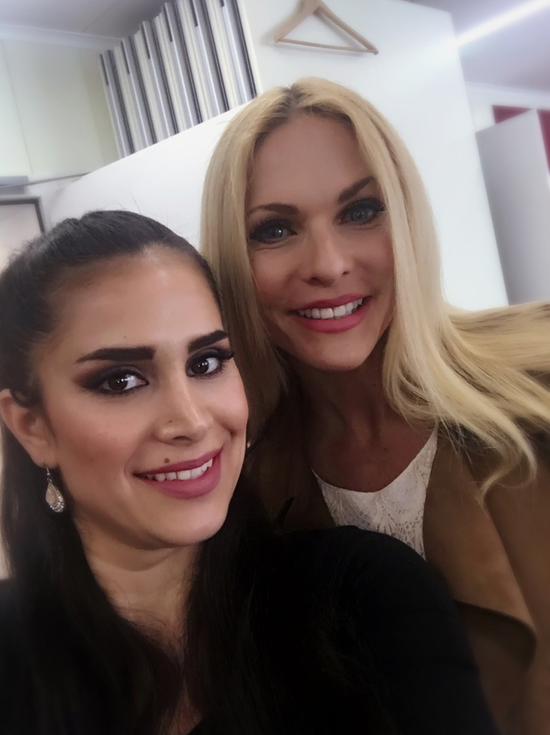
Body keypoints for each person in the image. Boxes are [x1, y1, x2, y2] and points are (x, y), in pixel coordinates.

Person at [0, 210, 497, 735]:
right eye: (121, 381)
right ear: (32, 427)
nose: (193, 422)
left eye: (205, 363)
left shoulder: (364, 600)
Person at [200, 78, 550, 734]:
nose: (328, 264)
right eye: (274, 229)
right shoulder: (247, 493)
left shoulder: (538, 378)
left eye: (360, 212)